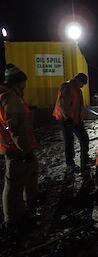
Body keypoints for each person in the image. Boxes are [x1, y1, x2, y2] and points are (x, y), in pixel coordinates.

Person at [0, 64, 39, 233]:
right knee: (13, 184)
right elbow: (15, 128)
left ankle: (29, 200)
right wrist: (26, 150)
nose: (25, 85)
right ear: (16, 82)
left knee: (27, 173)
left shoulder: (12, 96)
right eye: (23, 82)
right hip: (15, 148)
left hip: (17, 146)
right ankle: (14, 220)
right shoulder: (11, 98)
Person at [52, 73, 93, 172]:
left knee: (84, 138)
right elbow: (63, 104)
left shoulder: (77, 89)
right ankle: (70, 164)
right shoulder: (67, 87)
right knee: (69, 141)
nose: (83, 86)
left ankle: (84, 159)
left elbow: (78, 106)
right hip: (66, 120)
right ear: (78, 81)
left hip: (75, 119)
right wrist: (68, 118)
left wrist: (80, 119)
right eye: (82, 83)